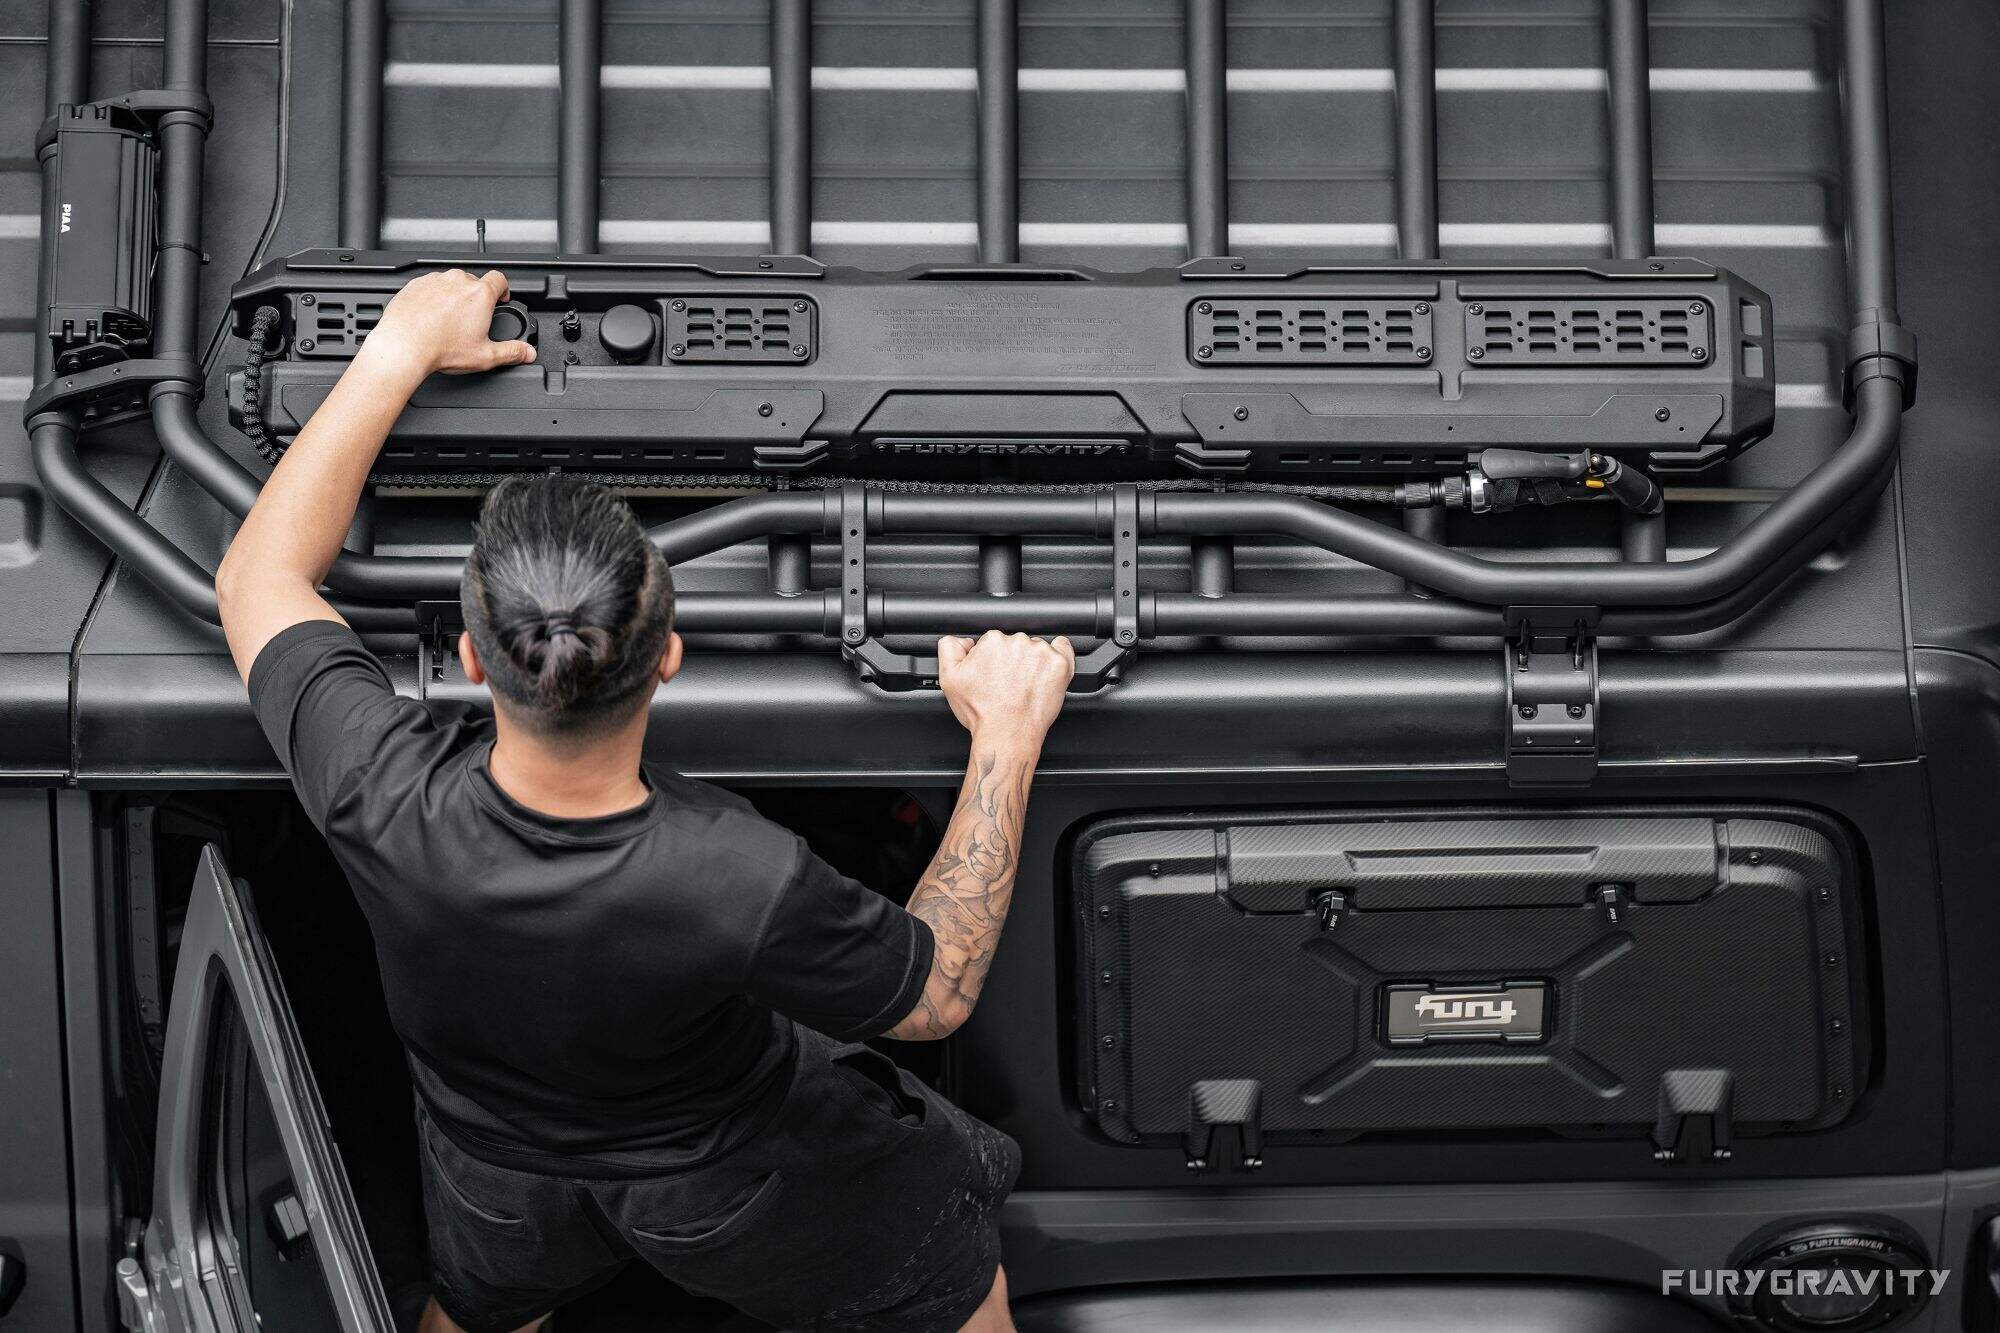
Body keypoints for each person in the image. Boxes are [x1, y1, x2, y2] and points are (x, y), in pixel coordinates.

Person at [214, 268, 1075, 1333]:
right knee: (950, 1285)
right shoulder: (736, 873)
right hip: (732, 1191)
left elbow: (258, 578)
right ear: (667, 655)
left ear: (477, 663)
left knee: (479, 1309)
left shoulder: (378, 788)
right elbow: (933, 993)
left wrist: (396, 349)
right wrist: (1006, 735)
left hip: (493, 1175)